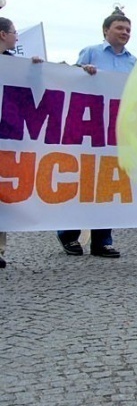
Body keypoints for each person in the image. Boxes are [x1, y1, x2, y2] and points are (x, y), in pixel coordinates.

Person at [57, 8, 136, 259]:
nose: (125, 33)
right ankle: (68, 234)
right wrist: (83, 71)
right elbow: (73, 83)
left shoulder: (134, 62)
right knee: (83, 181)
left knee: (107, 184)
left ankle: (102, 241)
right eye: (120, 28)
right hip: (89, 128)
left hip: (115, 130)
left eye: (128, 30)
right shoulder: (90, 52)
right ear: (106, 31)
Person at [1, 17, 44, 268]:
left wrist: (36, 70)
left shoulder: (13, 65)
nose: (16, 37)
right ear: (2, 34)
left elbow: (32, 92)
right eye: (13, 33)